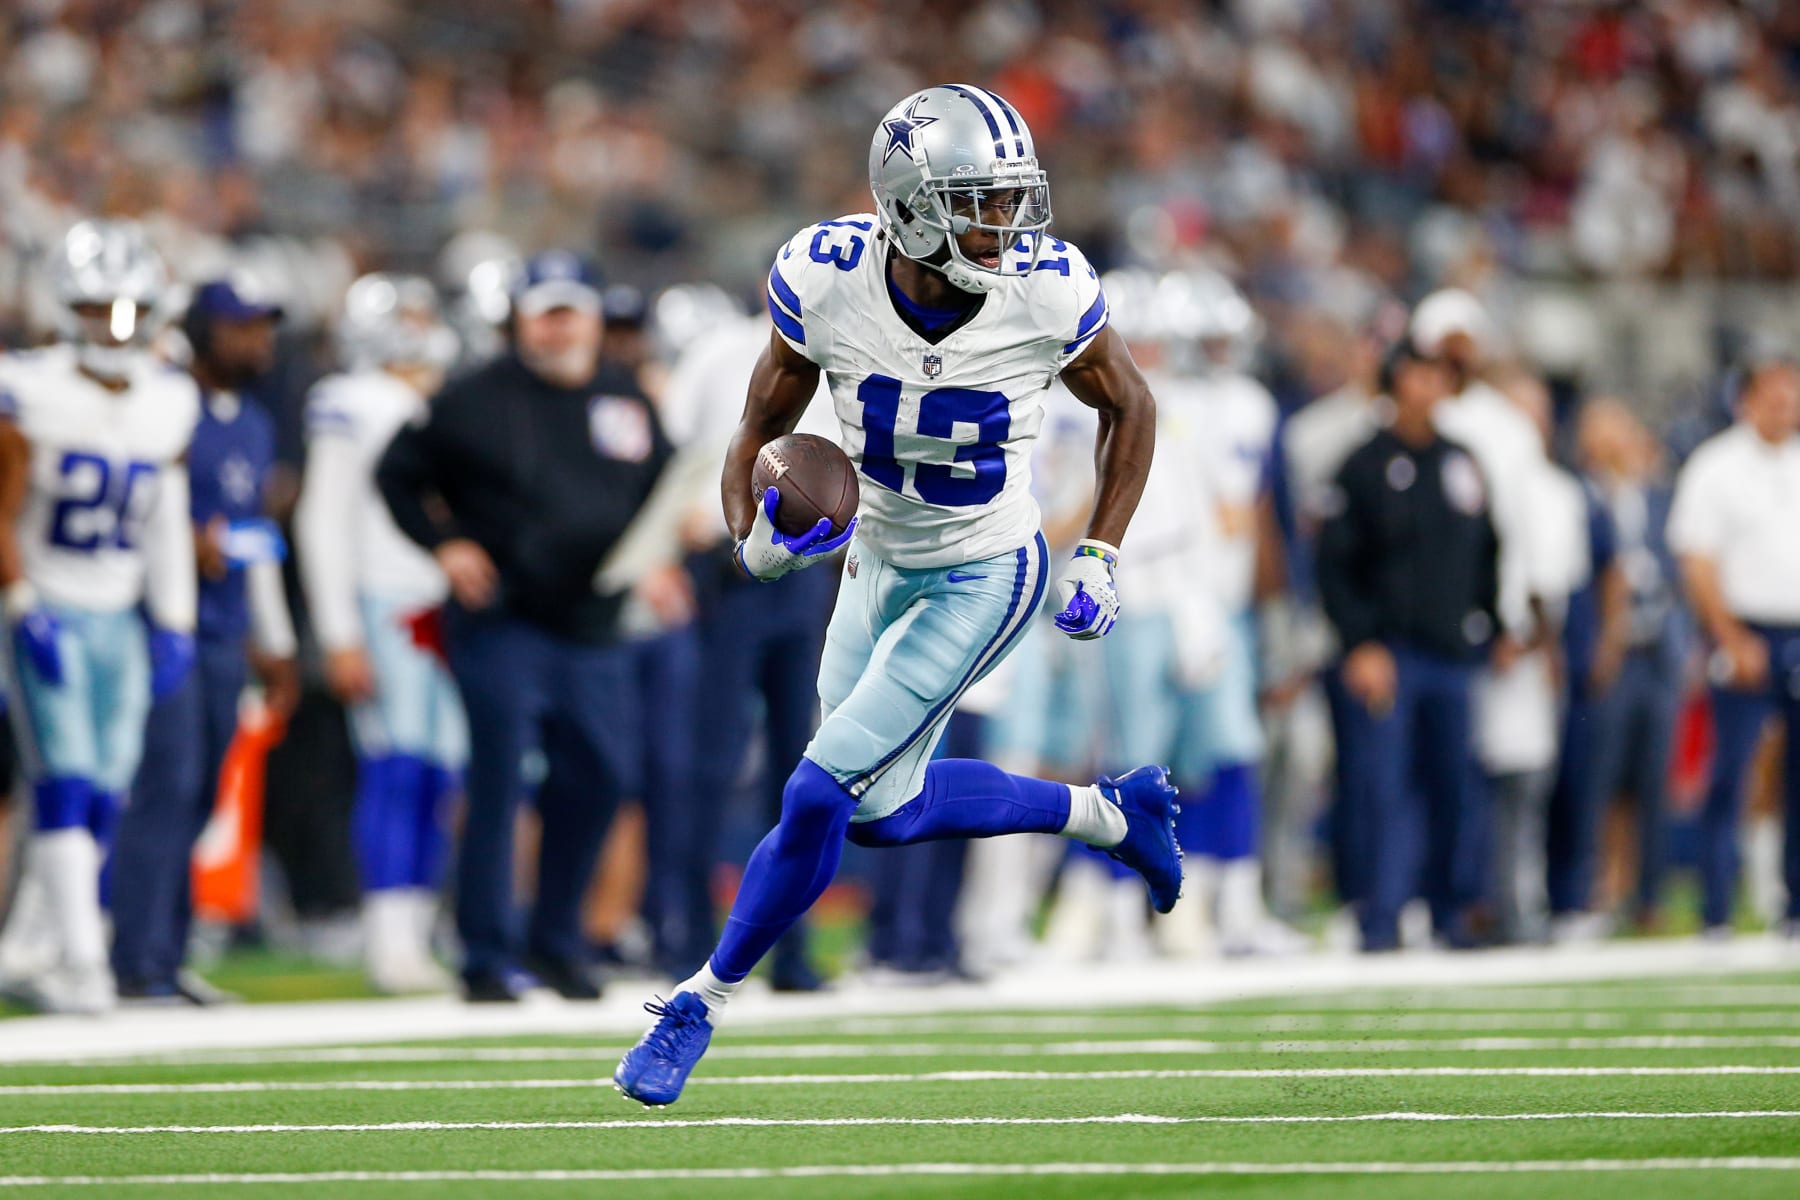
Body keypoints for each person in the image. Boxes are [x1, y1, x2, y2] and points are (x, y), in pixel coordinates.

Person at [615, 83, 1177, 1107]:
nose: (1007, 225)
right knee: (880, 814)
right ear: (910, 203)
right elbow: (758, 422)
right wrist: (755, 538)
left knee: (817, 790)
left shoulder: (1046, 290)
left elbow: (1131, 406)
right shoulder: (824, 276)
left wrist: (1099, 549)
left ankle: (698, 1000)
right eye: (980, 202)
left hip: (985, 567)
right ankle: (1108, 814)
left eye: (1011, 200)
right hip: (874, 555)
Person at [376, 252, 674, 1002]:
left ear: (596, 317)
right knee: (500, 775)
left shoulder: (624, 394)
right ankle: (484, 952)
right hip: (503, 619)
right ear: (518, 320)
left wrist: (672, 548)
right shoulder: (473, 397)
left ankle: (555, 939)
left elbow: (666, 486)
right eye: (545, 311)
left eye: (571, 309)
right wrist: (444, 542)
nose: (559, 325)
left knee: (602, 776)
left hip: (595, 621)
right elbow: (397, 473)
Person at [0, 221, 199, 1013]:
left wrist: (175, 618)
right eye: (94, 310)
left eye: (125, 310)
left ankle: (30, 946)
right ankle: (83, 957)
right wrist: (19, 600)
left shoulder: (167, 399)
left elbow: (166, 516)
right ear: (64, 310)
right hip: (47, 599)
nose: (111, 326)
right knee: (66, 777)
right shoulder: (29, 386)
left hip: (120, 612)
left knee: (107, 786)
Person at [109, 276, 299, 1004]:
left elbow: (253, 540)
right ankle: (133, 957)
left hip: (223, 630)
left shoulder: (251, 420)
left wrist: (273, 640)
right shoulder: (163, 405)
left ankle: (165, 950)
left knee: (199, 795)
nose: (257, 340)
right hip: (162, 623)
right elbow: (131, 496)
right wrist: (183, 539)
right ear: (199, 329)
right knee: (165, 787)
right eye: (240, 326)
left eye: (262, 325)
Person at [651, 305, 835, 987]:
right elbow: (668, 448)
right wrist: (672, 540)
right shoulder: (720, 349)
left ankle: (790, 950)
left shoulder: (849, 347)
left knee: (804, 769)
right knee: (709, 761)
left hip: (806, 569)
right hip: (725, 564)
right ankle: (688, 939)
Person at [295, 273, 466, 993]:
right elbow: (321, 518)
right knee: (396, 768)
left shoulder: (444, 399)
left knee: (441, 773)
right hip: (385, 602)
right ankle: (387, 936)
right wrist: (338, 632)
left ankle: (416, 931)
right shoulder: (351, 401)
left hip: (445, 603)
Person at [1316, 338, 1500, 953]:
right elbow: (1335, 565)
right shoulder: (1363, 464)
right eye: (1418, 376)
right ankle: (1380, 915)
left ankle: (1450, 912)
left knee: (1455, 785)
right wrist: (1360, 643)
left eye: (1438, 377)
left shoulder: (1463, 461)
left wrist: (1491, 624)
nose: (1429, 388)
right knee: (1384, 789)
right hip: (1391, 652)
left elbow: (1487, 551)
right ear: (1395, 385)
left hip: (1453, 653)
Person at [1667, 358, 1800, 939]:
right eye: (1773, 393)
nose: (1785, 404)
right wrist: (1728, 635)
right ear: (1745, 399)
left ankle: (1794, 907)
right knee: (1731, 771)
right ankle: (1716, 909)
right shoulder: (1716, 465)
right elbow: (1697, 559)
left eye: (1792, 393)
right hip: (1742, 628)